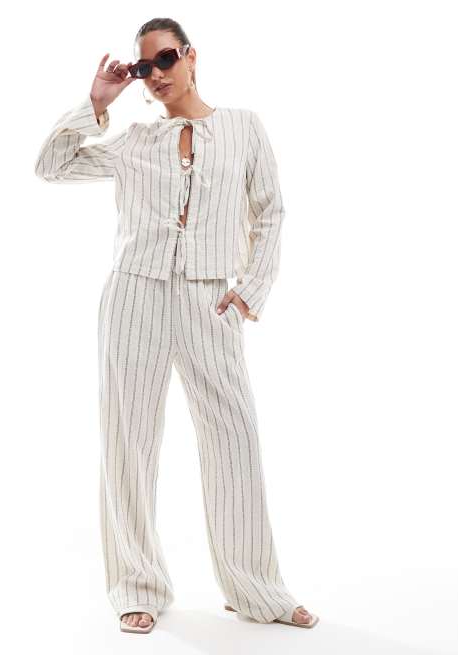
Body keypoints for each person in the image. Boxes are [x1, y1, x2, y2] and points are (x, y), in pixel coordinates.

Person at [35, 17, 318, 635]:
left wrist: (250, 290)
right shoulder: (135, 140)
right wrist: (97, 103)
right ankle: (136, 586)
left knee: (234, 440)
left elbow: (270, 211)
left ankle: (256, 589)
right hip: (134, 296)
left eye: (164, 59)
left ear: (190, 56)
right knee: (129, 441)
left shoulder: (243, 127)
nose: (155, 74)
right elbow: (52, 166)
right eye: (144, 68)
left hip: (210, 300)